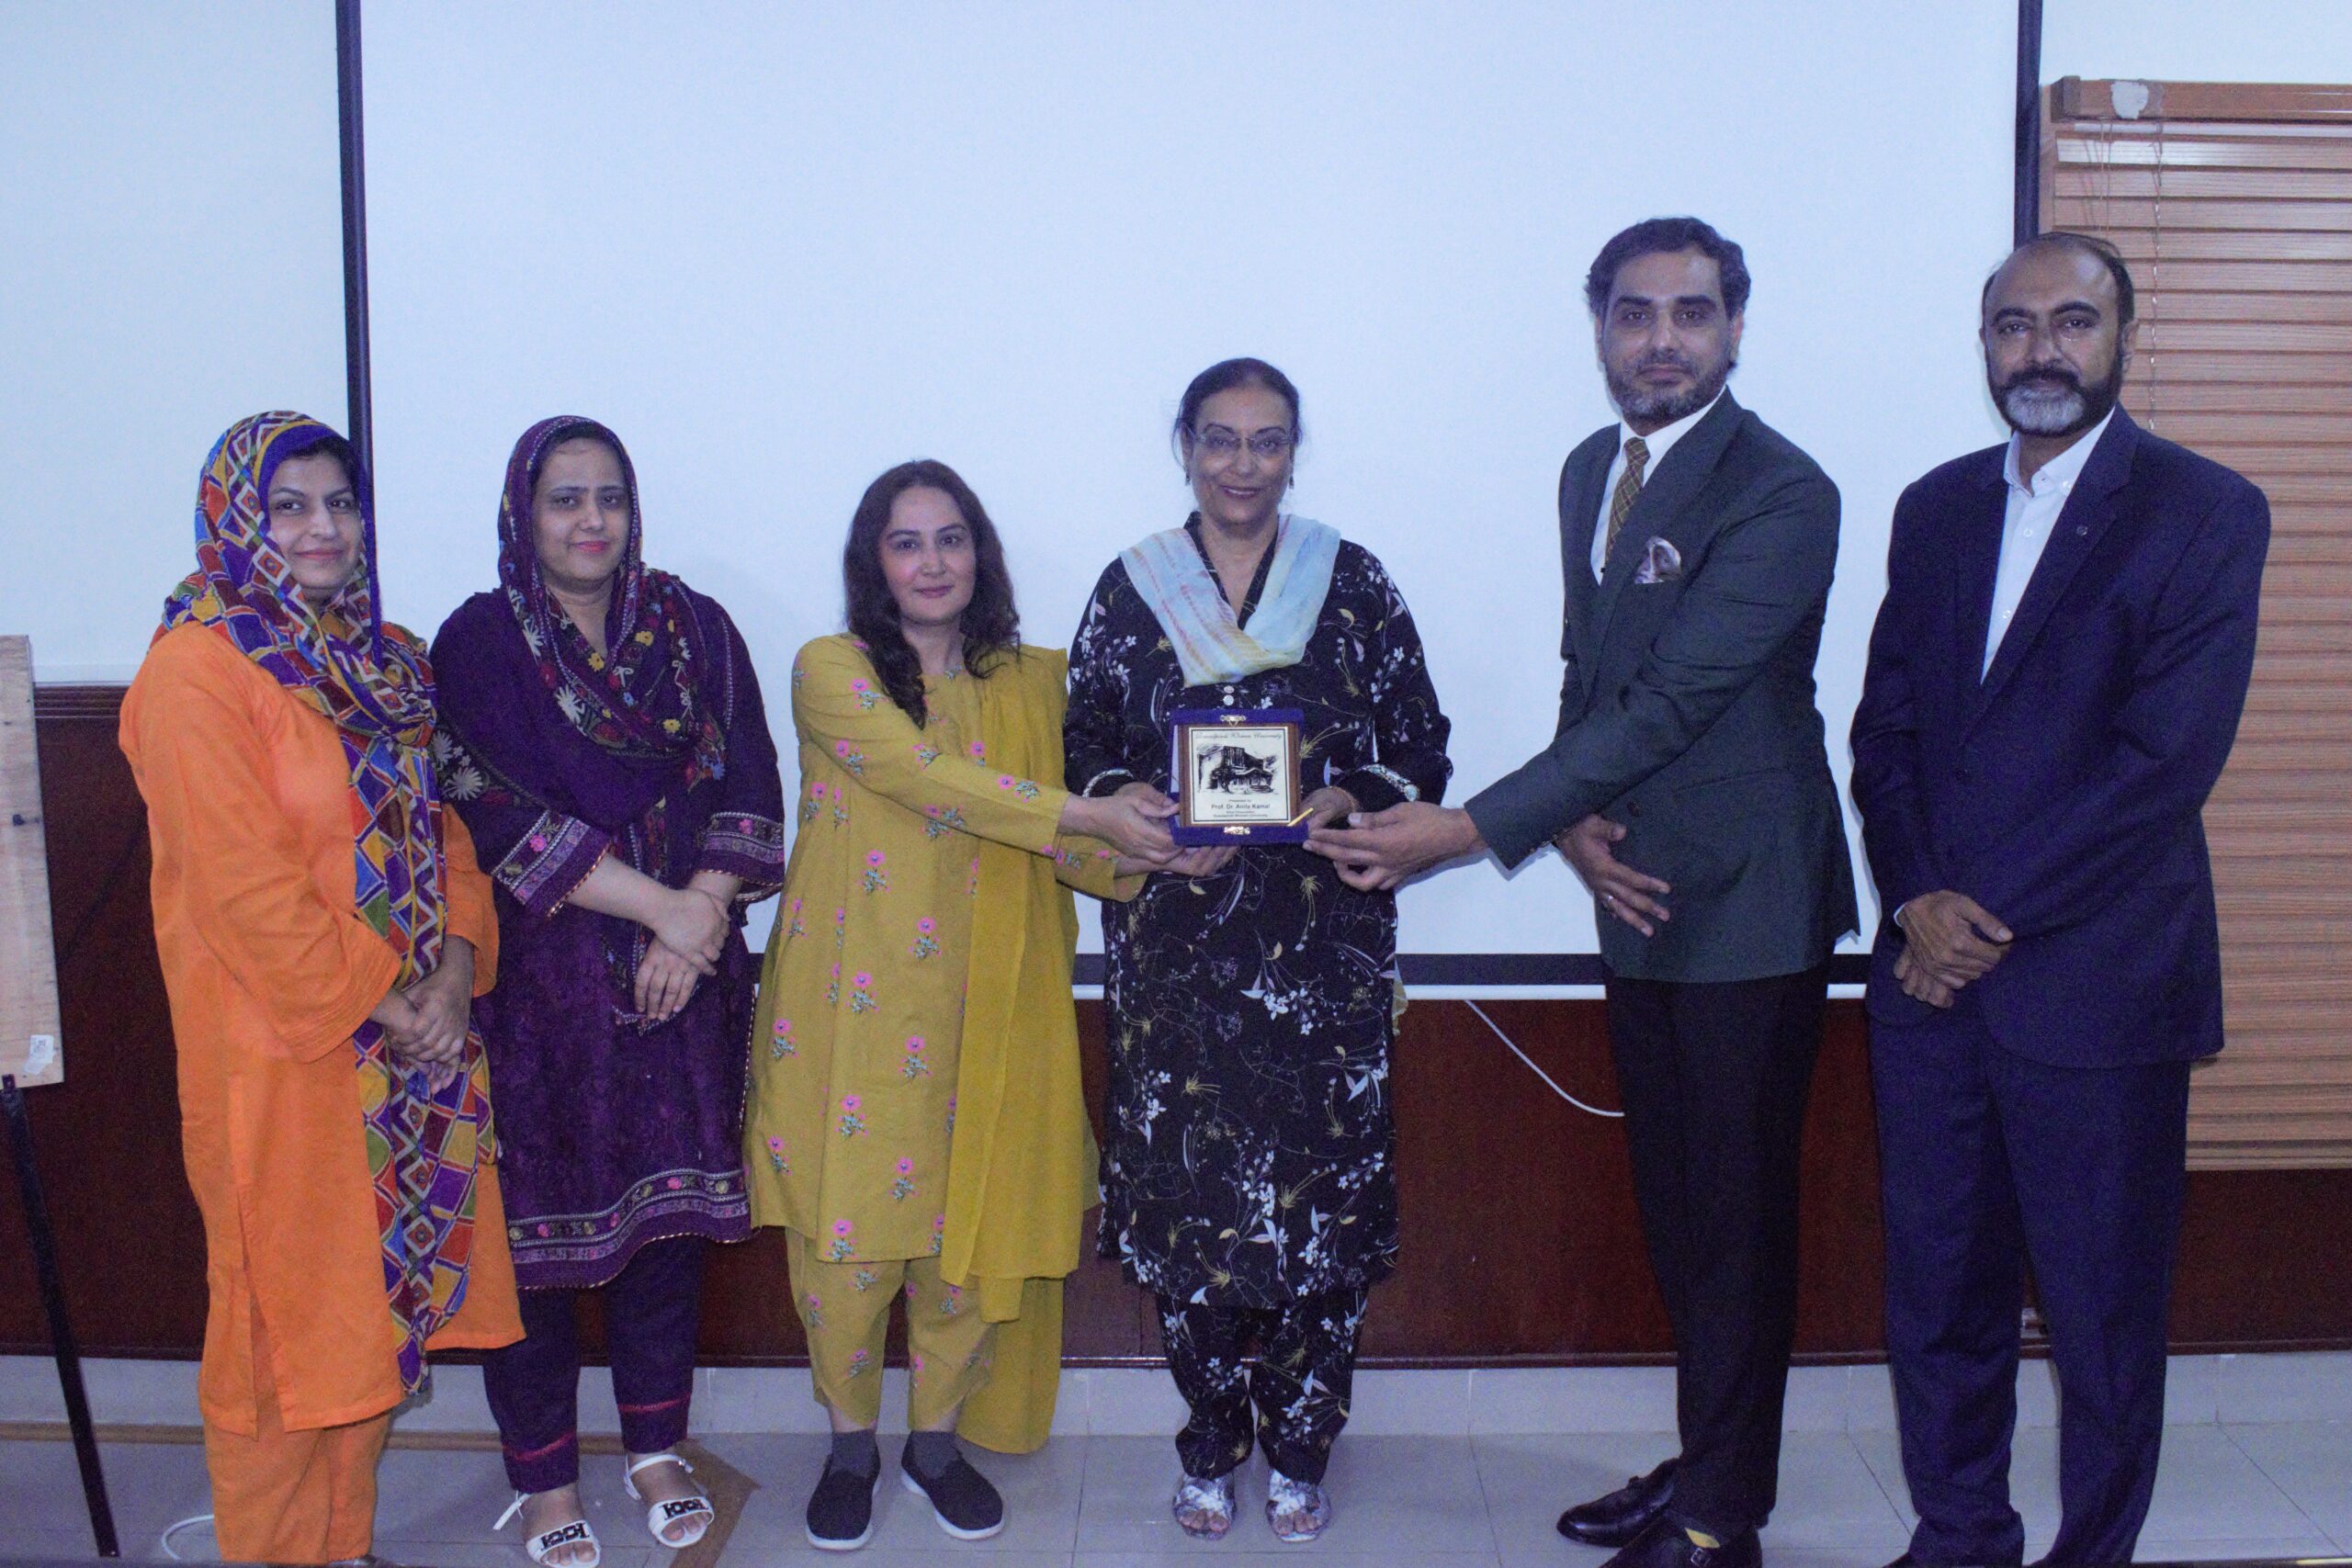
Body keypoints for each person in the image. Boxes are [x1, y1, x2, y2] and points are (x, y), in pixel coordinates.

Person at [1311, 220, 1855, 1568]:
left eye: (1691, 312)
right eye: (1633, 313)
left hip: (1748, 904)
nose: (1661, 339)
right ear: (1601, 326)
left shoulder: (1785, 491)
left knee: (1734, 1225)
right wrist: (1568, 829)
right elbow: (1589, 675)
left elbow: (1675, 699)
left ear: (1736, 326)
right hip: (1634, 888)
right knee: (1681, 1215)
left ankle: (1722, 1520)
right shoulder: (1589, 470)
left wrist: (1470, 829)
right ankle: (1708, 1464)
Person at [1849, 233, 2268, 1568]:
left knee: (2101, 1318)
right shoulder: (1936, 507)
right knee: (1939, 1299)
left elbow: (2162, 765)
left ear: (2123, 337)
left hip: (2097, 988)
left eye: (2073, 322)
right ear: (1984, 344)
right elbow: (1885, 731)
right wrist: (1915, 898)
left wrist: (1970, 919)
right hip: (1927, 990)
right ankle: (1959, 1535)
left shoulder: (2204, 510)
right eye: (2013, 325)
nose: (2041, 349)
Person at [119, 412, 521, 1565]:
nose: (322, 528)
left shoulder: (381, 657)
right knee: (280, 1340)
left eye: (340, 504)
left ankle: (341, 1545)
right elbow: (244, 889)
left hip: (409, 1054)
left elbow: (444, 835)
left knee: (370, 1327)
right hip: (283, 1062)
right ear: (236, 521)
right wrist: (400, 1006)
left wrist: (454, 971)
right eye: (288, 506)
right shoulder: (195, 671)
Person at [749, 458, 1171, 1551]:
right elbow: (929, 779)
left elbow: (1071, 845)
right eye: (907, 542)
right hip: (852, 1007)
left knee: (965, 1236)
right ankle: (851, 1447)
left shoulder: (1033, 684)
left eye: (951, 539)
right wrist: (1091, 814)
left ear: (979, 554)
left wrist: (1166, 848)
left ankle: (934, 1445)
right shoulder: (832, 669)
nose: (932, 562)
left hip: (995, 1004)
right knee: (847, 1246)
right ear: (873, 562)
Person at [1066, 358, 1453, 1545]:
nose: (1243, 464)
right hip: (1175, 956)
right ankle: (1208, 1441)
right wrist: (1133, 803)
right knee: (1190, 1210)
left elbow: (1422, 742)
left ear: (1294, 451)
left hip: (1322, 956)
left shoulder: (1354, 581)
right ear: (1186, 447)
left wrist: (1348, 794)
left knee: (1319, 1217)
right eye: (1221, 439)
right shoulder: (1131, 589)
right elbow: (1082, 741)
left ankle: (1301, 1448)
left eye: (1267, 440)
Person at [432, 417, 788, 1566]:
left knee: (663, 1230)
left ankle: (654, 1451)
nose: (592, 521)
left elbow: (750, 781)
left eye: (611, 498)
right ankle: (544, 1480)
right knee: (531, 1245)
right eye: (566, 499)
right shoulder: (479, 643)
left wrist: (697, 918)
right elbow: (494, 812)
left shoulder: (696, 628)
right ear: (523, 514)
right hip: (538, 997)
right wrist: (662, 910)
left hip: (682, 985)